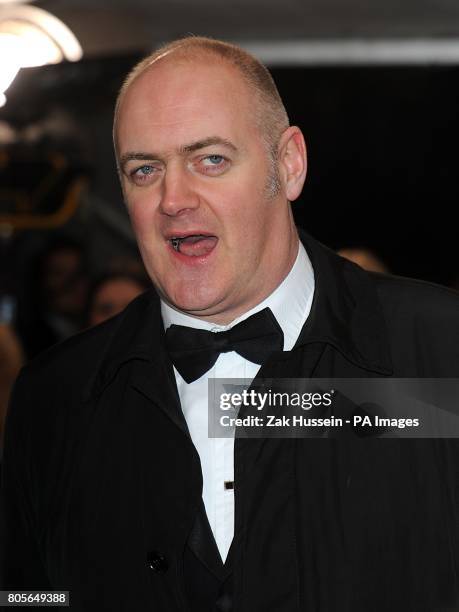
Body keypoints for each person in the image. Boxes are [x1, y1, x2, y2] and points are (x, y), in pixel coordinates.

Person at [1, 36, 459, 612]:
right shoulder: (56, 398)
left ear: (288, 165)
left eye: (210, 159)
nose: (173, 198)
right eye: (145, 170)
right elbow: (26, 593)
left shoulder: (441, 355)